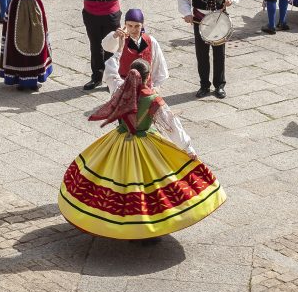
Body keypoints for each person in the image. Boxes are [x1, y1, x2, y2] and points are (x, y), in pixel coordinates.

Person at [57, 59, 226, 241]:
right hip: (146, 144)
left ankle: (115, 224)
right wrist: (187, 148)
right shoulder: (153, 99)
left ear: (130, 74)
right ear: (148, 76)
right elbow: (172, 126)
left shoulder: (119, 90)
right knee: (149, 186)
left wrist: (116, 52)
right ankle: (148, 230)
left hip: (119, 140)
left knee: (117, 182)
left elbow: (111, 73)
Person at [178, 0, 241, 99]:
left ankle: (219, 85)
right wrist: (187, 13)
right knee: (202, 54)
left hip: (219, 20)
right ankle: (204, 85)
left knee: (219, 54)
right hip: (200, 20)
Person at [0, 0, 52, 90]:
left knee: (37, 40)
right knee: (19, 41)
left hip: (34, 6)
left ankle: (35, 78)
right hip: (18, 7)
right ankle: (20, 79)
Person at [102, 8, 168, 94]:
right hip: (125, 86)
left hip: (145, 87)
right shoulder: (120, 40)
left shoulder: (151, 41)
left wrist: (156, 86)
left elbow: (158, 64)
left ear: (142, 25)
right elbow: (106, 46)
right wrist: (114, 36)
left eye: (137, 26)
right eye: (130, 26)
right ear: (125, 25)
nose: (133, 29)